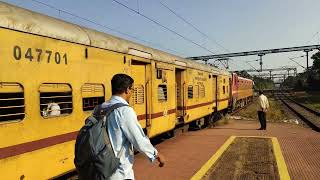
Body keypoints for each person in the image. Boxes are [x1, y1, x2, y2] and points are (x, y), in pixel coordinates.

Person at [102, 73, 165, 179]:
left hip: (100, 167)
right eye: (132, 90)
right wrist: (156, 154)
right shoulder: (125, 111)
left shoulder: (101, 108)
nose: (131, 93)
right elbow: (139, 140)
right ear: (127, 89)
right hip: (119, 172)